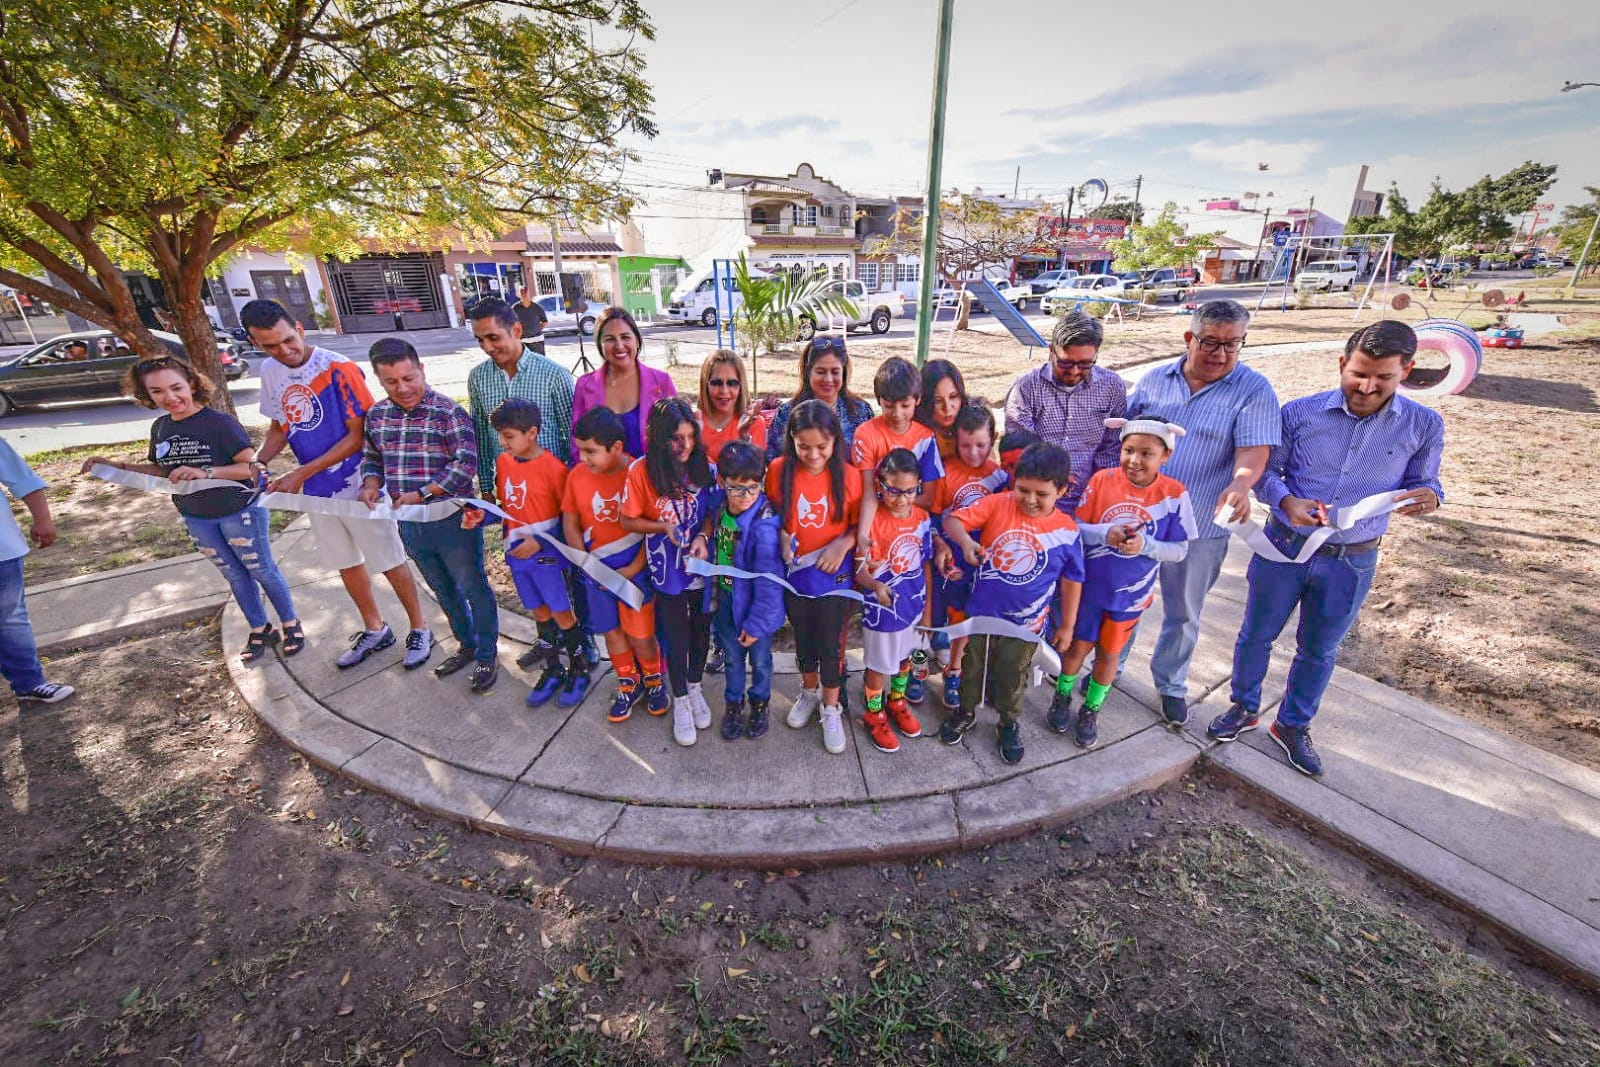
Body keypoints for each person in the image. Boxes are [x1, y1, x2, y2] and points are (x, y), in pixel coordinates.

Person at [1207, 321, 1444, 778]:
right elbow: (1268, 472)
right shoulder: (1299, 414)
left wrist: (1431, 497)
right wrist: (1285, 501)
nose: (1367, 387)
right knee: (1256, 634)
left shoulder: (1424, 425)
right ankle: (1243, 706)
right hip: (1282, 547)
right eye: (1358, 374)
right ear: (1342, 364)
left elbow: (1425, 481)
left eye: (1383, 378)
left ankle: (1293, 725)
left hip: (1351, 560)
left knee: (1319, 649)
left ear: (1407, 370)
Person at [242, 299, 432, 671]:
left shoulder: (337, 367)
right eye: (270, 346)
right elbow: (280, 426)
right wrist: (260, 460)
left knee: (389, 559)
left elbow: (359, 435)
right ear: (255, 343)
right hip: (317, 491)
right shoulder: (269, 371)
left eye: (288, 340)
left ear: (299, 328)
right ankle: (375, 629)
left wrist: (300, 474)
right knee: (345, 562)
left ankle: (420, 628)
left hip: (360, 485)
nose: (284, 351)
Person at [84, 356, 302, 664]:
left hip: (239, 512)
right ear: (147, 394)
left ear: (192, 384)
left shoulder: (219, 423)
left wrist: (205, 472)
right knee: (234, 575)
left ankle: (291, 624)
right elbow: (162, 470)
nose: (170, 397)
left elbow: (252, 469)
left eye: (176, 387)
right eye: (157, 391)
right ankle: (260, 628)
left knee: (261, 570)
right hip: (197, 517)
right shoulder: (161, 427)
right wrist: (117, 466)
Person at [1125, 299, 1280, 726]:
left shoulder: (1254, 390)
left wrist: (1241, 484)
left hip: (1200, 525)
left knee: (1184, 612)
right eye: (1210, 342)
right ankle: (1108, 668)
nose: (1220, 353)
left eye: (1233, 344)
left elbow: (1253, 450)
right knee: (1125, 598)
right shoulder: (1154, 380)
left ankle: (1171, 684)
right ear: (1189, 338)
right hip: (1140, 517)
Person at [359, 339, 498, 693]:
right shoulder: (377, 416)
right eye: (391, 382)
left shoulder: (448, 412)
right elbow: (372, 457)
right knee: (441, 588)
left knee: (472, 585)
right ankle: (466, 645)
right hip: (410, 523)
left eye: (409, 378)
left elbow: (465, 465)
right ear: (379, 380)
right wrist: (371, 484)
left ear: (422, 370)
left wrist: (423, 493)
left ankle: (487, 654)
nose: (402, 388)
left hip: (453, 521)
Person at [1048, 418, 1196, 748]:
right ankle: (1061, 696)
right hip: (1089, 589)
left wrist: (1146, 545)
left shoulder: (1174, 494)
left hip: (1130, 596)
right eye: (1128, 450)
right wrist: (1106, 533)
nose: (1134, 460)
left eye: (1147, 453)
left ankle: (1091, 709)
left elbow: (1179, 550)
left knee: (1109, 654)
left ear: (1166, 455)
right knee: (1076, 648)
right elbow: (1076, 528)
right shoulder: (1102, 480)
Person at [938, 442, 1083, 764]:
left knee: (1013, 675)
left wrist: (1068, 626)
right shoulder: (997, 504)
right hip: (982, 616)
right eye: (1023, 490)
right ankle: (965, 711)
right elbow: (953, 521)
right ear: (1013, 482)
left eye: (1041, 494)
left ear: (1062, 490)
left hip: (1026, 626)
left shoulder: (1068, 531)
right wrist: (966, 542)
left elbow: (1073, 580)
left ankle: (1007, 722)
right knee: (972, 668)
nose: (1030, 500)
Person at [476, 397, 590, 710]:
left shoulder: (555, 470)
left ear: (532, 433)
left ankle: (579, 670)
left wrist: (540, 541)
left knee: (562, 613)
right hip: (518, 557)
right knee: (538, 612)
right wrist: (482, 515)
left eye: (509, 436)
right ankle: (553, 669)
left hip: (547, 559)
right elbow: (509, 508)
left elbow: (570, 520)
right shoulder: (503, 463)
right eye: (500, 436)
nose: (503, 442)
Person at [622, 397, 719, 746]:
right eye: (677, 438)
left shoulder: (705, 467)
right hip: (667, 568)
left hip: (700, 564)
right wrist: (662, 527)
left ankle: (694, 686)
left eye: (691, 436)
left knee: (701, 628)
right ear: (659, 437)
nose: (686, 446)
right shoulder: (641, 471)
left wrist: (703, 536)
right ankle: (680, 698)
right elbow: (627, 519)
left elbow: (712, 513)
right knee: (675, 635)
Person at [768, 399, 864, 754]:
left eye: (821, 446)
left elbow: (860, 526)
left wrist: (843, 544)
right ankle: (809, 691)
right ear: (791, 440)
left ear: (835, 440)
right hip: (797, 575)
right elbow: (772, 512)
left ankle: (831, 706)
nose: (812, 455)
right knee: (804, 637)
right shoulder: (779, 470)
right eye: (803, 446)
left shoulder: (849, 476)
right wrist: (780, 535)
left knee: (831, 642)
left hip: (835, 576)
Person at [564, 406, 668, 724]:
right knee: (611, 632)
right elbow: (570, 521)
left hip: (635, 574)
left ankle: (653, 679)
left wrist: (634, 568)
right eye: (580, 450)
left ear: (617, 447)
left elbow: (652, 529)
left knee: (641, 634)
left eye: (591, 451)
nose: (583, 458)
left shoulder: (639, 474)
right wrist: (584, 561)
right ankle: (627, 681)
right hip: (596, 575)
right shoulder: (577, 476)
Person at [851, 355, 944, 702]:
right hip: (878, 534)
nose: (897, 413)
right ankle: (874, 708)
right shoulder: (866, 434)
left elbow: (929, 497)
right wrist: (865, 533)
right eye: (889, 405)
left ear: (917, 400)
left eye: (905, 405)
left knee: (908, 644)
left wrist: (903, 508)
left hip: (910, 533)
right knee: (879, 650)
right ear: (879, 401)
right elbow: (867, 492)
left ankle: (898, 700)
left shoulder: (925, 438)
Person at [928, 401, 1009, 708]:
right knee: (935, 616)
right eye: (965, 445)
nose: (973, 453)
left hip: (982, 561)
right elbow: (932, 517)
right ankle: (917, 670)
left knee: (965, 618)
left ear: (994, 439)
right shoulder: (945, 472)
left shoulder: (1000, 477)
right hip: (949, 558)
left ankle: (954, 671)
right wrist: (940, 544)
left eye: (981, 445)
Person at [702, 440, 783, 742]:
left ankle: (759, 705)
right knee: (733, 660)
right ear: (722, 482)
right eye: (736, 488)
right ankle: (733, 705)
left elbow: (769, 584)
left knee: (760, 662)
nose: (746, 496)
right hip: (727, 603)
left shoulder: (764, 528)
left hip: (755, 611)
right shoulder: (718, 507)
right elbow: (708, 522)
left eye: (753, 487)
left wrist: (756, 624)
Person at [1003, 311, 1126, 510]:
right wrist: (1053, 477)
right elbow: (1020, 449)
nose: (1075, 371)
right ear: (1051, 351)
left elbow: (1111, 448)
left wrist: (1102, 492)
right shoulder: (1027, 387)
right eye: (1066, 363)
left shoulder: (1112, 386)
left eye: (1085, 364)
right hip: (1036, 499)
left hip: (1089, 497)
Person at [855, 448, 933, 754]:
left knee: (904, 660)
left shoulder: (923, 519)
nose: (902, 499)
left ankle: (897, 700)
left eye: (910, 491)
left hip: (912, 609)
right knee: (878, 666)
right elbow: (859, 571)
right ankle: (874, 713)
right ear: (879, 485)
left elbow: (926, 565)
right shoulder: (871, 522)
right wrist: (875, 585)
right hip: (882, 613)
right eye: (893, 491)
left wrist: (927, 613)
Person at [466, 297, 575, 497]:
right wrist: (487, 488)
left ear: (516, 330)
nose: (487, 347)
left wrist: (571, 489)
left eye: (493, 338)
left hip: (552, 489)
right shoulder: (478, 377)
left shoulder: (554, 374)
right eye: (480, 340)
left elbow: (571, 436)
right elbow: (481, 435)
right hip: (509, 490)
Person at [0, 439, 73, 705]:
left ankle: (30, 683)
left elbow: (23, 480)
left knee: (10, 619)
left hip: (2, 550)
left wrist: (43, 520)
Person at [571, 307, 676, 462]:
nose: (619, 346)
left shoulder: (661, 382)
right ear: (600, 344)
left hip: (651, 476)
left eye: (625, 337)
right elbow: (577, 446)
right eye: (610, 339)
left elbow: (677, 439)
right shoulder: (584, 385)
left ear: (637, 340)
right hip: (599, 477)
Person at [763, 336, 874, 462]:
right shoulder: (787, 413)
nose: (828, 379)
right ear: (808, 372)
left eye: (835, 372)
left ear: (843, 373)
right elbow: (773, 461)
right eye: (821, 372)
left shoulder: (861, 412)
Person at [695, 350, 769, 464]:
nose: (724, 391)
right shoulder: (693, 422)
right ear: (705, 384)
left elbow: (755, 471)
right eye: (717, 383)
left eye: (732, 383)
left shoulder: (754, 424)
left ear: (741, 386)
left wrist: (744, 438)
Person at [915, 359, 967, 462]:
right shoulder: (916, 437)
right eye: (938, 401)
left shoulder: (975, 427)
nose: (947, 408)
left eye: (953, 396)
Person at [513, 286, 549, 354]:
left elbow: (545, 322)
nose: (524, 294)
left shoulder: (537, 307)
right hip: (522, 341)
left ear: (529, 293)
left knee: (539, 359)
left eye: (525, 292)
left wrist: (536, 329)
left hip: (537, 340)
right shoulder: (515, 308)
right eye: (522, 292)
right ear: (519, 294)